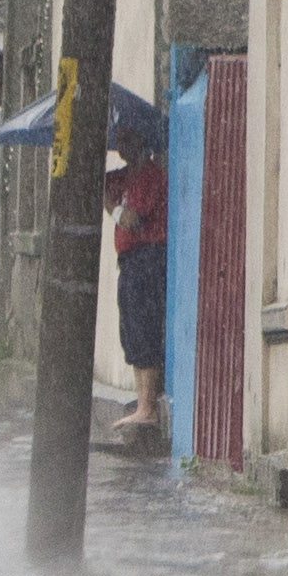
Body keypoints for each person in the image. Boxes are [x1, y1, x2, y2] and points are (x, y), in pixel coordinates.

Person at [105, 86, 170, 436]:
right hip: (130, 260)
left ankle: (147, 406)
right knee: (131, 328)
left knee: (143, 328)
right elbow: (98, 185)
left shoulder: (150, 175)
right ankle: (141, 401)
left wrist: (112, 206)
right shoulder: (126, 175)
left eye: (126, 140)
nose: (121, 147)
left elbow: (132, 219)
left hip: (147, 258)